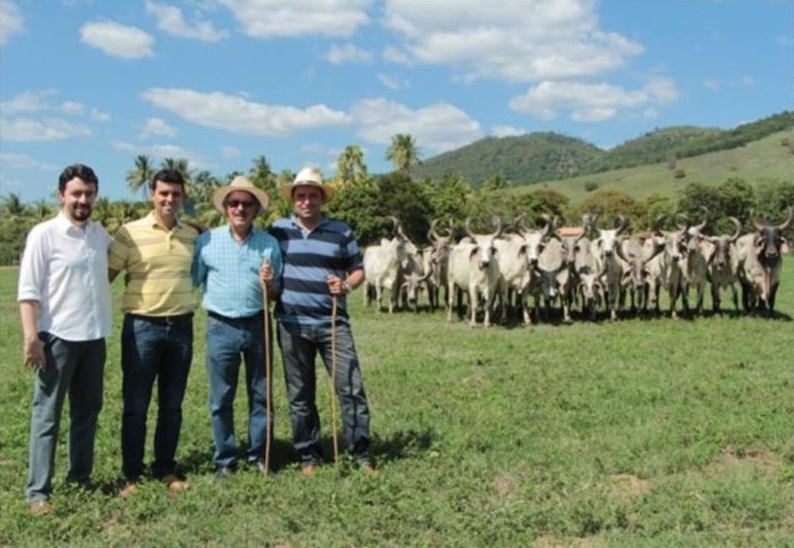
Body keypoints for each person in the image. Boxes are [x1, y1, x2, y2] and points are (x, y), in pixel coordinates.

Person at [17, 164, 113, 515]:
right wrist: (31, 337)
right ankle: (37, 491)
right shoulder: (44, 234)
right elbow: (28, 290)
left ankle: (80, 478)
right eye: (76, 193)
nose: (82, 200)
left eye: (88, 193)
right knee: (47, 416)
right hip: (57, 338)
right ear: (62, 195)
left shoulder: (99, 234)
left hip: (94, 337)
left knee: (87, 413)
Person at [268, 167, 374, 476]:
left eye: (312, 195)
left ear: (321, 198)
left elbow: (358, 269)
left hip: (332, 323)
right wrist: (269, 283)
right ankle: (308, 457)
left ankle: (361, 454)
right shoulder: (277, 231)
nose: (306, 201)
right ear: (293, 199)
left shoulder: (340, 231)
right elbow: (270, 270)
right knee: (300, 394)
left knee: (350, 387)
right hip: (291, 323)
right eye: (301, 195)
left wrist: (347, 286)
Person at [107, 169, 200, 498]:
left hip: (181, 328)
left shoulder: (193, 235)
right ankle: (131, 474)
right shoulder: (128, 234)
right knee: (136, 404)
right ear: (151, 194)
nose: (169, 199)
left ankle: (165, 467)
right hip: (142, 328)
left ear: (183, 197)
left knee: (172, 404)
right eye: (163, 193)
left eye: (175, 194)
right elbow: (104, 278)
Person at [192, 176, 283, 477]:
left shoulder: (269, 244)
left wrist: (270, 284)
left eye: (246, 203)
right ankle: (225, 460)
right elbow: (196, 279)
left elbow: (276, 292)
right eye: (234, 203)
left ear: (256, 209)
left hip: (258, 324)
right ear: (225, 208)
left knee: (261, 394)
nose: (240, 208)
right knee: (221, 397)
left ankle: (260, 455)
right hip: (221, 326)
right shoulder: (206, 242)